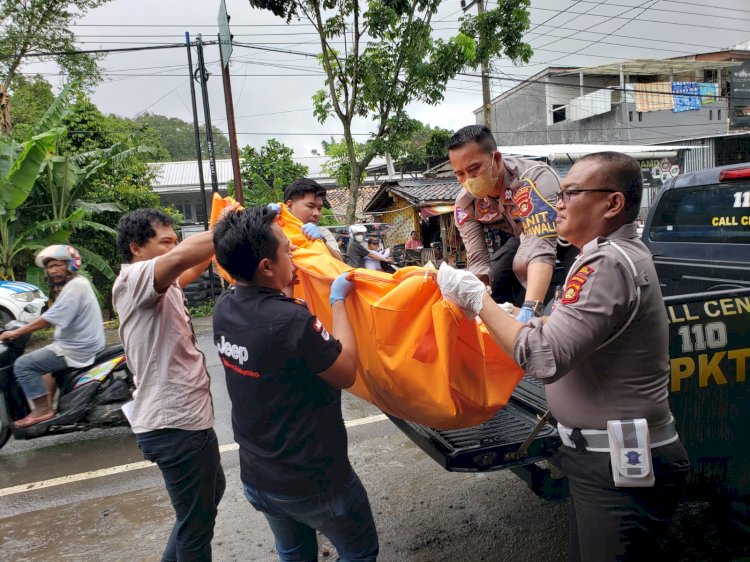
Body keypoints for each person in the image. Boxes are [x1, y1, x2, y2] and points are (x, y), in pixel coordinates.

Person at [437, 152, 690, 561]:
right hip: (602, 459)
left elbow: (544, 356)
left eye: (571, 193)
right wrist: (509, 317)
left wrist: (478, 299)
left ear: (612, 204)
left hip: (617, 465)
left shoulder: (606, 262)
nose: (558, 201)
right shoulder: (601, 256)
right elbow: (555, 332)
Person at [212, 206, 379, 562]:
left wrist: (285, 289)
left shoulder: (224, 309)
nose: (295, 257)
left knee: (294, 554)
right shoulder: (292, 323)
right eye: (288, 250)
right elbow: (346, 371)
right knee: (360, 552)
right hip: (314, 480)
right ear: (266, 267)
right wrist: (338, 303)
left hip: (259, 477)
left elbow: (272, 330)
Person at [113, 208, 231, 561]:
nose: (174, 247)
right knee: (196, 527)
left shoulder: (162, 285)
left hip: (185, 419)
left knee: (205, 502)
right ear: (136, 247)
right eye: (165, 241)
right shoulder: (136, 279)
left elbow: (188, 264)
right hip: (173, 424)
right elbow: (182, 258)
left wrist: (214, 238)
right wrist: (238, 226)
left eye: (175, 240)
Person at [447, 124, 562, 321]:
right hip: (521, 238)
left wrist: (530, 309)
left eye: (474, 169)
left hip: (565, 238)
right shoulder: (466, 203)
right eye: (460, 174)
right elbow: (478, 259)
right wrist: (478, 306)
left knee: (524, 265)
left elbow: (540, 245)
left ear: (497, 159)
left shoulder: (533, 179)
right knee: (497, 272)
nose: (469, 180)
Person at [0, 245, 104, 428]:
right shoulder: (76, 285)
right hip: (75, 344)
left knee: (23, 365)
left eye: (58, 265)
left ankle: (42, 410)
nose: (53, 270)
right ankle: (50, 408)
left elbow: (47, 320)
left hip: (76, 348)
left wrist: (16, 332)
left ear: (71, 265)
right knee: (43, 364)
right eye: (49, 267)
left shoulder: (75, 287)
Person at [282, 178, 343, 261]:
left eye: (319, 208)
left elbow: (340, 263)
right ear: (289, 206)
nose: (317, 213)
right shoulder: (275, 231)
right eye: (310, 206)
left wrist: (321, 241)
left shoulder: (323, 233)